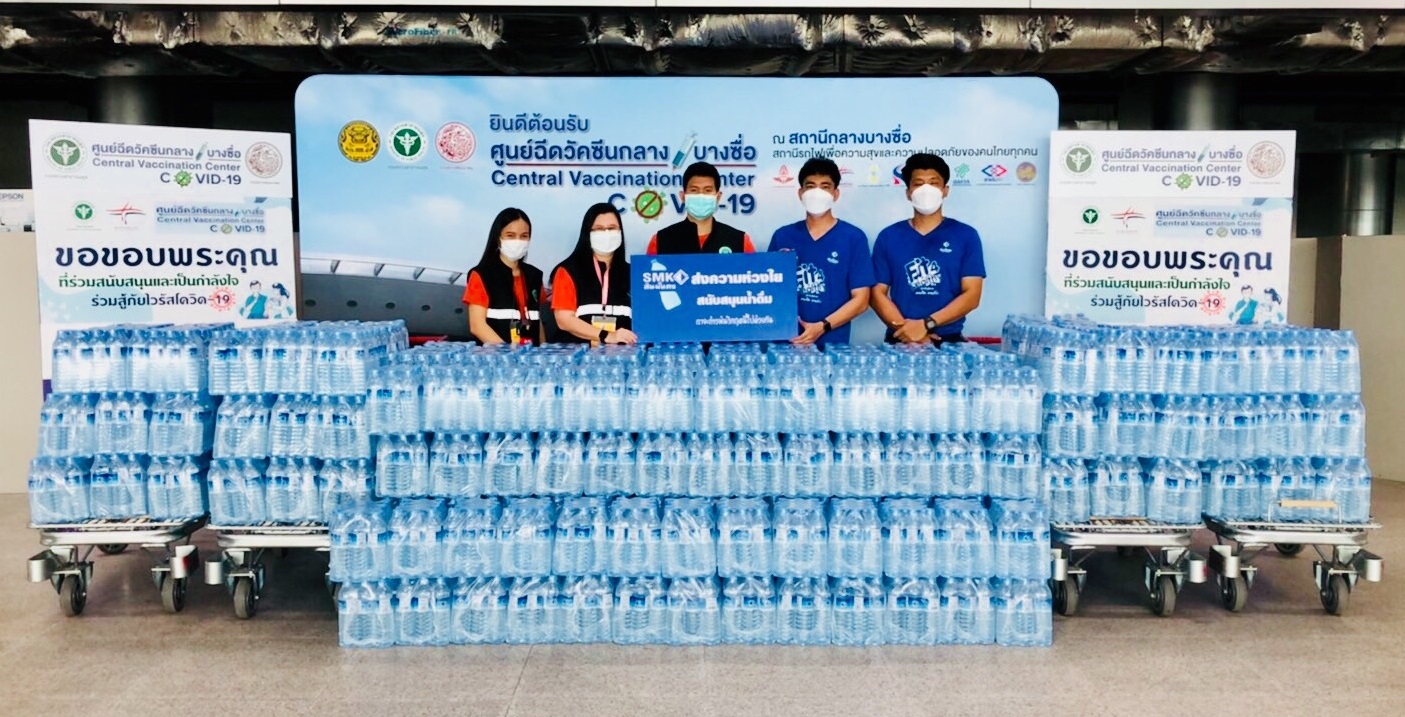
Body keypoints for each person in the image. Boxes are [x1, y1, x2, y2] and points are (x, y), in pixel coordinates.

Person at [870, 153, 986, 344]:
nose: (926, 190)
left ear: (945, 190)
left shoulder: (966, 235)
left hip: (949, 341)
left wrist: (926, 325)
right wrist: (908, 331)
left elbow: (972, 295)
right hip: (899, 338)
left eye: (933, 183)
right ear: (908, 192)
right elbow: (876, 293)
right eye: (918, 183)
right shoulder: (889, 236)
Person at [767, 157, 874, 345]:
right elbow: (768, 290)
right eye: (810, 186)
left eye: (825, 187)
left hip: (833, 346)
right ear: (800, 193)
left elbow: (861, 300)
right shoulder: (782, 236)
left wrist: (822, 326)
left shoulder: (853, 238)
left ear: (835, 193)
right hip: (786, 345)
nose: (817, 193)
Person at [551, 203, 637, 345]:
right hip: (576, 354)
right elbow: (564, 320)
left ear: (620, 232)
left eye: (612, 228)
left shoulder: (633, 273)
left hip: (621, 355)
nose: (606, 233)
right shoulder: (568, 270)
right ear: (587, 233)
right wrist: (606, 335)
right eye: (599, 229)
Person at [462, 207, 545, 345]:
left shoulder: (534, 275)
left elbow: (537, 321)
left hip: (531, 355)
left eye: (524, 236)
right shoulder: (482, 274)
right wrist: (507, 353)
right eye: (510, 235)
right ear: (498, 237)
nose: (518, 241)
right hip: (496, 356)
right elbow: (477, 326)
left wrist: (543, 350)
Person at [646, 161, 755, 255]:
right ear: (683, 196)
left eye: (708, 190)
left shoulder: (740, 241)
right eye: (694, 190)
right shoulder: (661, 241)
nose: (701, 195)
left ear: (718, 197)